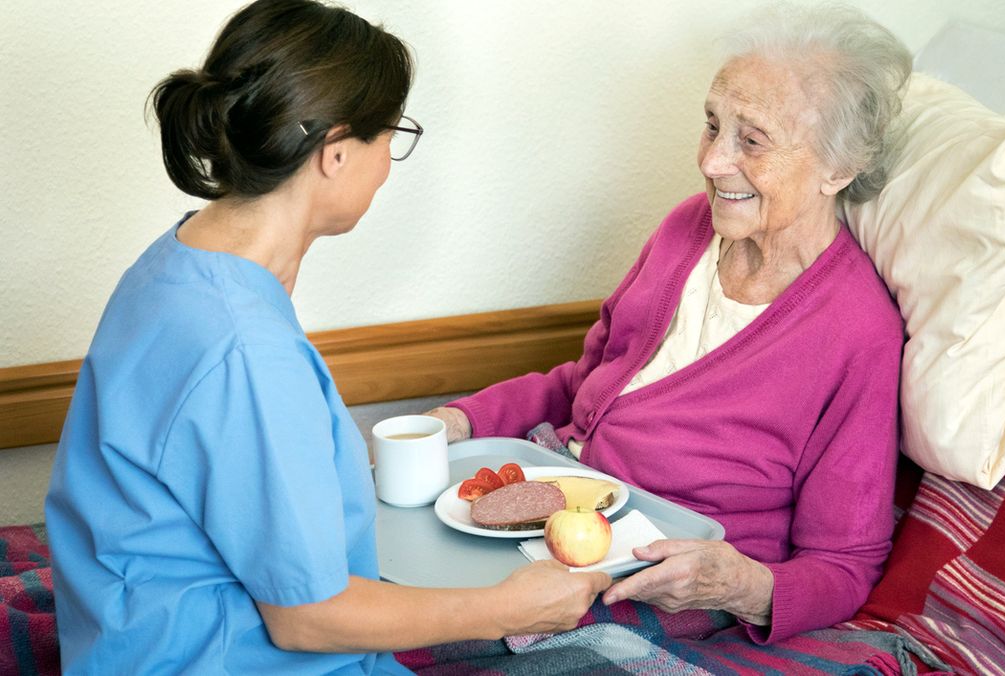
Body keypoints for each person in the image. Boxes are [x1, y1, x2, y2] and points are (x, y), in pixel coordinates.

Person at [43, 1, 608, 673]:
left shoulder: (177, 263)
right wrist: (510, 607)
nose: (389, 165)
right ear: (336, 151)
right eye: (390, 136)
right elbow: (307, 618)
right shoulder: (245, 351)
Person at [428, 4, 912, 643]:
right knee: (354, 592)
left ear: (839, 168)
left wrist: (733, 582)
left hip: (655, 584)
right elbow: (586, 384)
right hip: (552, 506)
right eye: (713, 126)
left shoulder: (857, 333)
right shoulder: (686, 228)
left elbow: (844, 567)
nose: (712, 162)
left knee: (400, 642)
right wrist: (459, 420)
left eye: (752, 139)